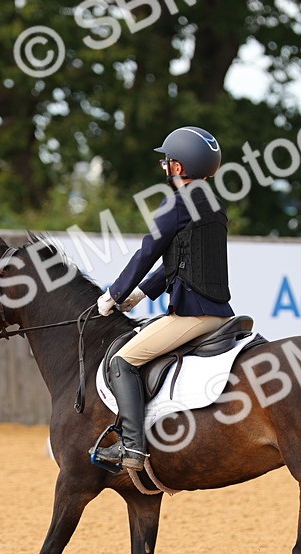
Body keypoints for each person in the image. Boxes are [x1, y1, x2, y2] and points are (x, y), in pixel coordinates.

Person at [92, 126, 234, 472]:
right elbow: (181, 258)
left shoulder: (176, 204)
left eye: (167, 162)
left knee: (122, 362)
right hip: (219, 313)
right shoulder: (213, 204)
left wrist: (115, 294)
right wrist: (142, 292)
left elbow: (147, 252)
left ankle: (132, 447)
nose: (164, 167)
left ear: (178, 167)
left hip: (192, 315)